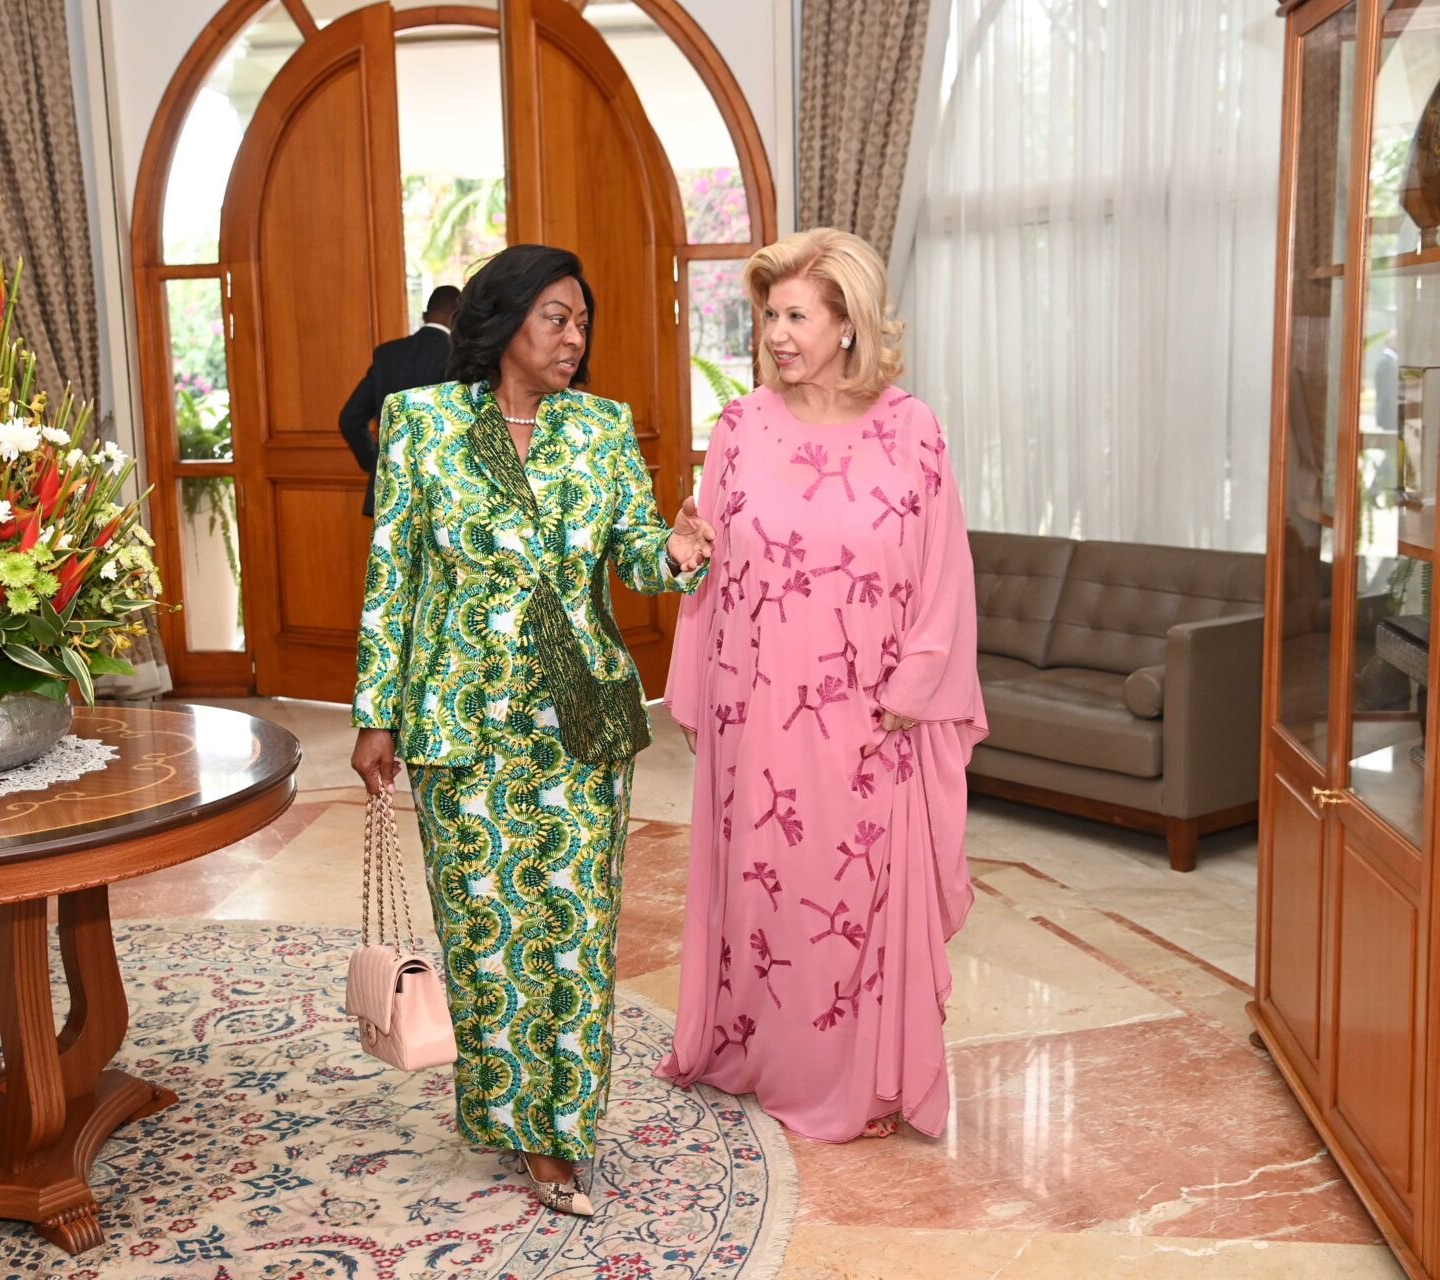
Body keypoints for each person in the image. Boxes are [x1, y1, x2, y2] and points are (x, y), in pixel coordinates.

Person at [349, 244, 716, 1215]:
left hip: (579, 721)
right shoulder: (421, 422)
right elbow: (393, 576)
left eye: (581, 321)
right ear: (504, 319)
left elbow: (634, 551)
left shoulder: (600, 427)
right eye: (556, 316)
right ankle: (509, 1118)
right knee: (486, 935)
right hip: (459, 722)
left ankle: (563, 1129)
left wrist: (677, 550)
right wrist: (375, 711)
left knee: (575, 931)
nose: (573, 336)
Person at [655, 228, 986, 1142]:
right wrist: (685, 565)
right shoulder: (739, 429)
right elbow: (707, 560)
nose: (776, 334)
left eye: (796, 316)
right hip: (757, 709)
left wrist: (915, 687)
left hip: (873, 717)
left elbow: (945, 569)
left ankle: (858, 1077)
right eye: (769, 316)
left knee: (851, 902)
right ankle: (762, 1054)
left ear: (849, 323)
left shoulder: (913, 430)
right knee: (766, 896)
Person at [339, 286, 461, 517]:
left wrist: (375, 462)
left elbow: (350, 419)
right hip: (438, 494)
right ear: (457, 318)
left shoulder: (387, 355)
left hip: (389, 490)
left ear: (424, 315)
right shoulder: (457, 356)